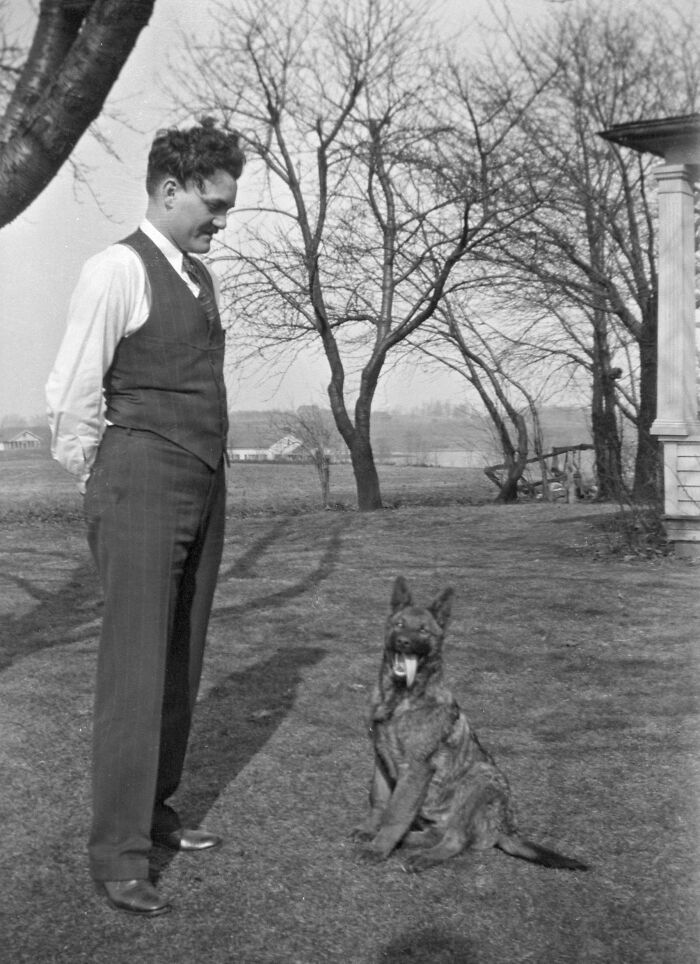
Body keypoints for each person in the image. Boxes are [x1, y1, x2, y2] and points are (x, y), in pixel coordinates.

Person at [46, 118, 245, 917]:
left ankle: (155, 812)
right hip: (139, 481)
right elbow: (70, 398)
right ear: (168, 190)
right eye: (214, 204)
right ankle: (118, 853)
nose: (222, 222)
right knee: (133, 670)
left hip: (202, 482)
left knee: (179, 657)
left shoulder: (199, 279)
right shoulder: (114, 270)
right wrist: (112, 478)